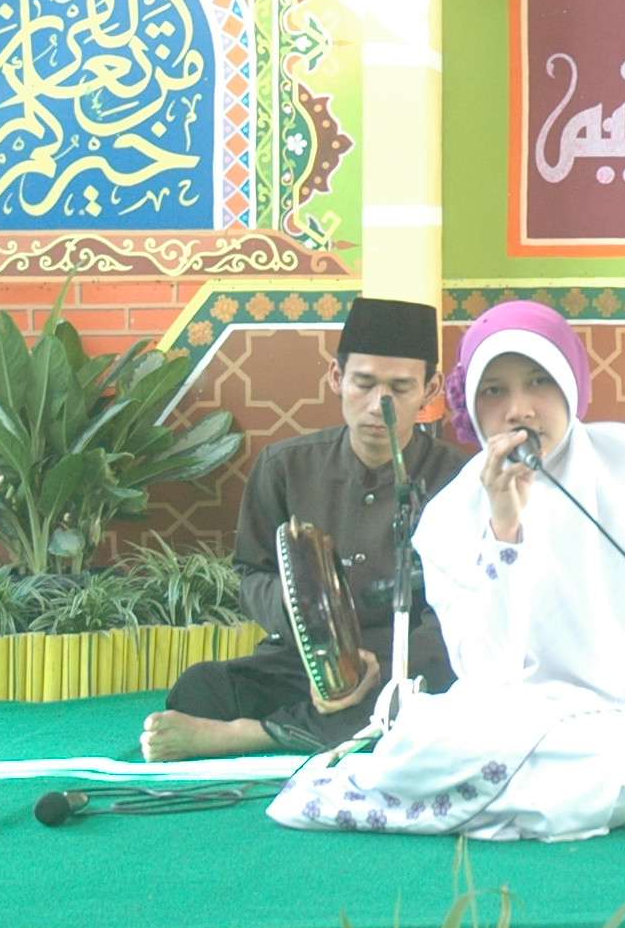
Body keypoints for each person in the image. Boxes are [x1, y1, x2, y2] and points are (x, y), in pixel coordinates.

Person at [268, 301, 625, 837]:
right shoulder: (453, 513)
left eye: (539, 382)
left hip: (616, 727)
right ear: (472, 403)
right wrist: (504, 530)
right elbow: (487, 671)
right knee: (420, 742)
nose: (519, 410)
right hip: (504, 719)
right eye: (494, 391)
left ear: (571, 384)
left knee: (623, 775)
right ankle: (511, 804)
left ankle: (465, 805)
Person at [143, 296, 465, 761]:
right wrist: (319, 641)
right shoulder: (285, 467)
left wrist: (384, 667)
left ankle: (248, 736)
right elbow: (252, 574)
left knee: (418, 702)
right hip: (303, 660)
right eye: (363, 383)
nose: (379, 405)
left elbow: (466, 606)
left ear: (429, 389)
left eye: (400, 387)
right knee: (201, 689)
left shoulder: (458, 479)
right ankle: (310, 724)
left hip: (408, 663)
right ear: (336, 377)